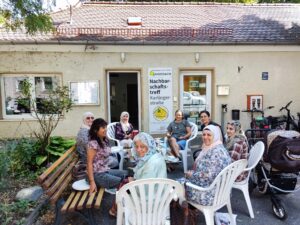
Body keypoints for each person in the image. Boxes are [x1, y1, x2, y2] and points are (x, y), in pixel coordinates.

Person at [109, 132, 167, 217]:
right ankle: (115, 209)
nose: (138, 150)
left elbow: (143, 190)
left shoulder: (151, 164)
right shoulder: (154, 155)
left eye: (142, 146)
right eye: (136, 146)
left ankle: (116, 210)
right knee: (123, 182)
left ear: (149, 146)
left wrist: (132, 181)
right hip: (157, 195)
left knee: (123, 185)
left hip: (149, 201)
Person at [181, 125, 231, 206]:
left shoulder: (216, 153)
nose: (205, 137)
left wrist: (191, 175)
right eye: (204, 134)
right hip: (220, 190)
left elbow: (207, 177)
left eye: (209, 135)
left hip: (210, 195)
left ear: (215, 136)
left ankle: (185, 213)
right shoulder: (217, 147)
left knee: (178, 186)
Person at [87, 118, 128, 195]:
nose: (105, 129)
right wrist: (92, 182)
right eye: (103, 128)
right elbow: (89, 163)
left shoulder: (104, 140)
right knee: (123, 182)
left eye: (105, 127)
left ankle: (114, 191)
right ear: (96, 130)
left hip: (105, 170)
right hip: (97, 175)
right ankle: (117, 200)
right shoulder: (93, 144)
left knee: (126, 173)